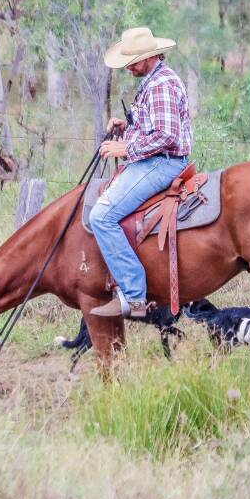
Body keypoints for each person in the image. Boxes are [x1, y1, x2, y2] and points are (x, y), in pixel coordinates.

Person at [88, 27, 193, 318]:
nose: (129, 67)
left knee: (102, 216)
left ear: (150, 57)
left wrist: (125, 150)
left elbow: (166, 136)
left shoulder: (160, 85)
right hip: (155, 159)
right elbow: (154, 126)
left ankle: (133, 296)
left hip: (162, 163)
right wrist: (128, 127)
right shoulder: (155, 79)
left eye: (133, 61)